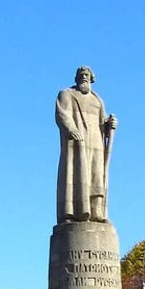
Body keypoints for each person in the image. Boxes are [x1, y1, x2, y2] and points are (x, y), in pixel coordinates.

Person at [55, 66, 117, 223]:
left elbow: (102, 122)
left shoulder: (98, 100)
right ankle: (72, 213)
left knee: (96, 177)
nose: (84, 76)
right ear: (76, 78)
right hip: (76, 144)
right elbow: (62, 114)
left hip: (96, 143)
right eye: (81, 74)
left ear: (92, 78)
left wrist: (110, 124)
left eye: (87, 75)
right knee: (75, 176)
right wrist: (72, 129)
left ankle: (97, 212)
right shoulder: (67, 94)